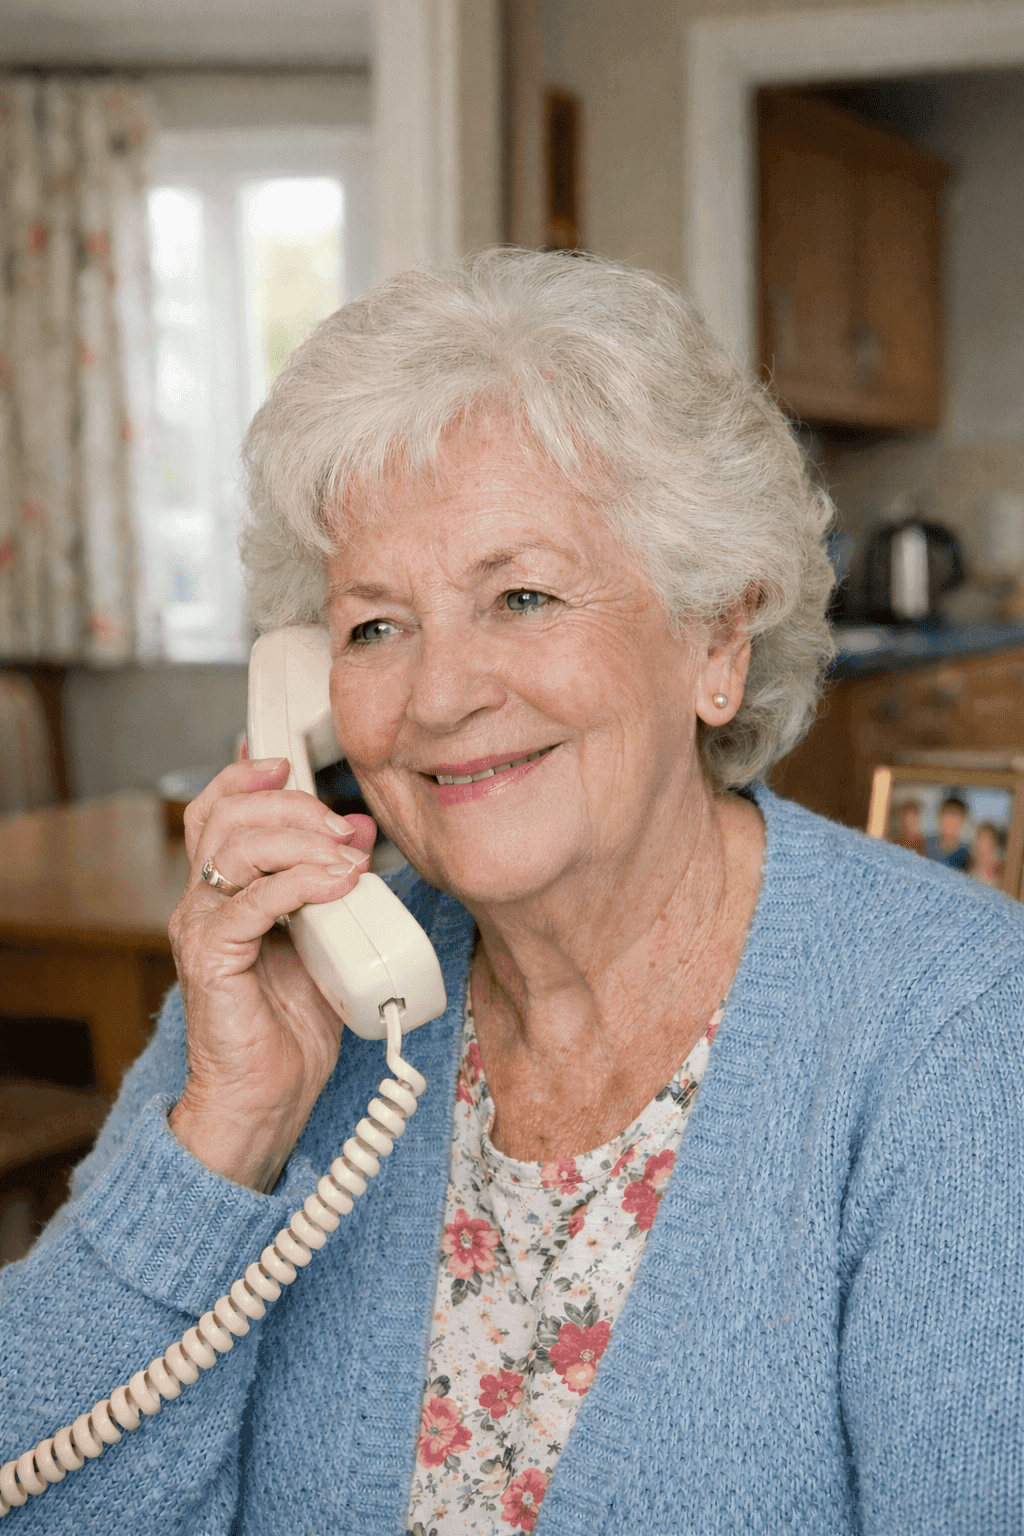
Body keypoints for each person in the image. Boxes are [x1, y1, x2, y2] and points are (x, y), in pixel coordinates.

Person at [2, 250, 1021, 1536]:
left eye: (520, 596)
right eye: (375, 625)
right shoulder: (294, 1004)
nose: (435, 698)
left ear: (715, 640)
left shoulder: (961, 1035)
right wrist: (225, 1139)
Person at [926, 793, 972, 871]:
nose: (950, 825)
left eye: (954, 820)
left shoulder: (966, 855)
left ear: (962, 821)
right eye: (947, 819)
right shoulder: (925, 845)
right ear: (940, 818)